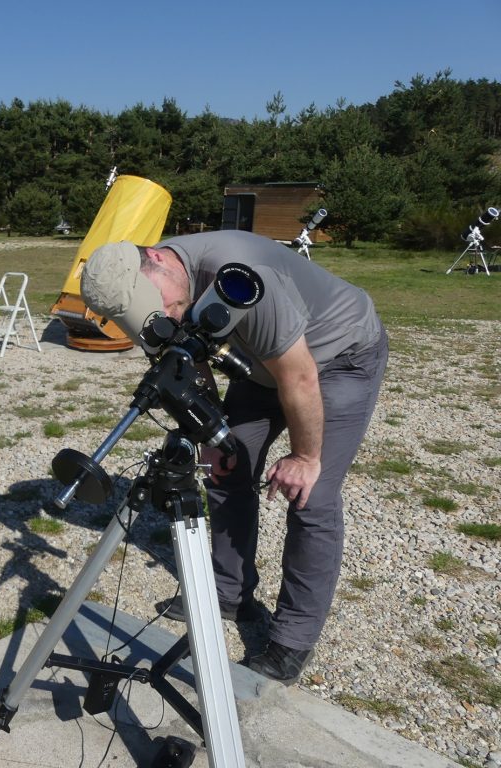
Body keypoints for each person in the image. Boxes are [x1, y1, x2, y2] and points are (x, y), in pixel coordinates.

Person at [80, 231, 388, 684]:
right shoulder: (162, 297)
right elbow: (190, 361)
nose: (165, 317)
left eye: (164, 306)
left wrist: (304, 456)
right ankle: (228, 593)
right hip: (264, 362)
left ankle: (293, 639)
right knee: (223, 469)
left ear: (160, 261)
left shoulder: (239, 276)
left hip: (338, 356)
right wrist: (209, 429)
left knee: (312, 497)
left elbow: (300, 378)